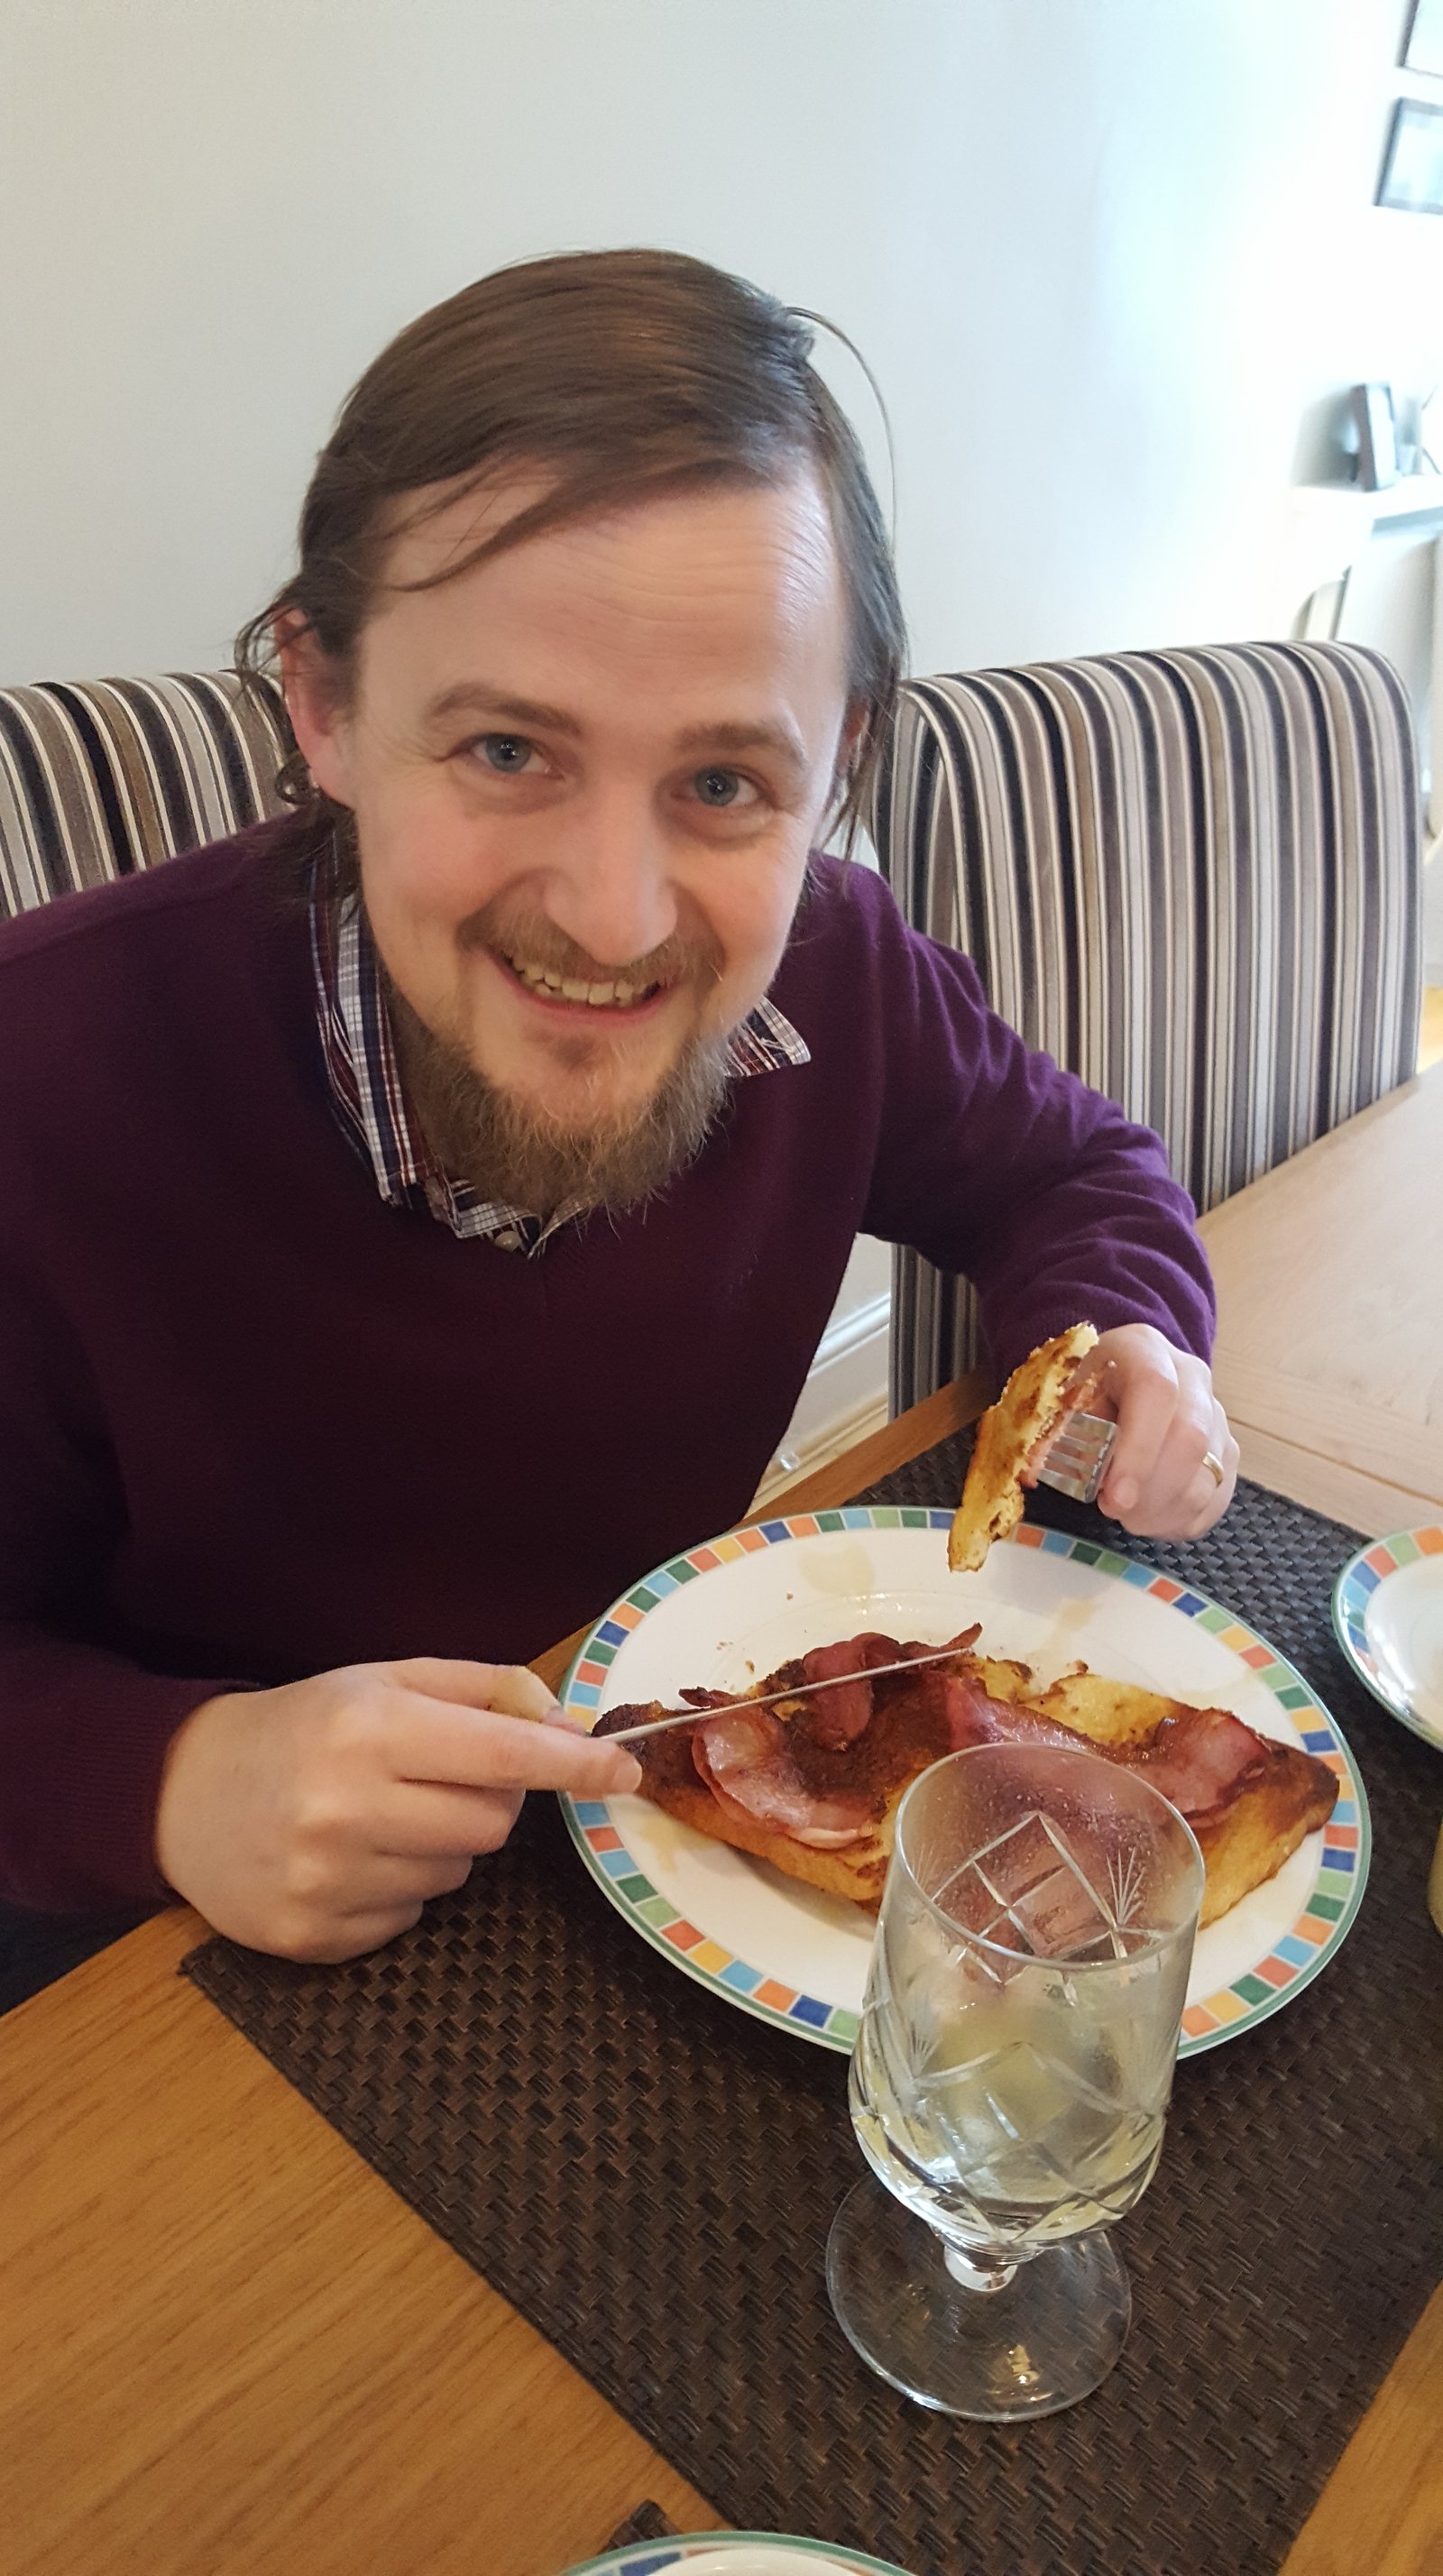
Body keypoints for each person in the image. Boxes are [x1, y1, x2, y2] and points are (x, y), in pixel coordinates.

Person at [0, 249, 1236, 1964]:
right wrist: (163, 1774)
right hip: (176, 1953)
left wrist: (1118, 1335)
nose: (615, 918)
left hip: (669, 1860)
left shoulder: (842, 975)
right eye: (508, 750)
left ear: (836, 767)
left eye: (724, 784)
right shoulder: (44, 1073)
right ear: (326, 705)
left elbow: (1070, 1169)